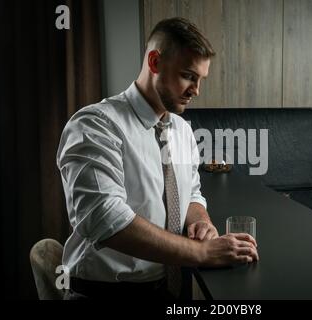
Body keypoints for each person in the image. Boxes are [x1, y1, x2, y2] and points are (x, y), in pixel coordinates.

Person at [56, 17, 259, 300]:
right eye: (188, 75)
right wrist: (201, 252)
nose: (196, 90)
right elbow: (104, 218)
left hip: (169, 290)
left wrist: (200, 220)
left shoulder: (182, 129)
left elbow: (192, 193)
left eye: (201, 79)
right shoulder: (95, 124)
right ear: (154, 62)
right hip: (105, 294)